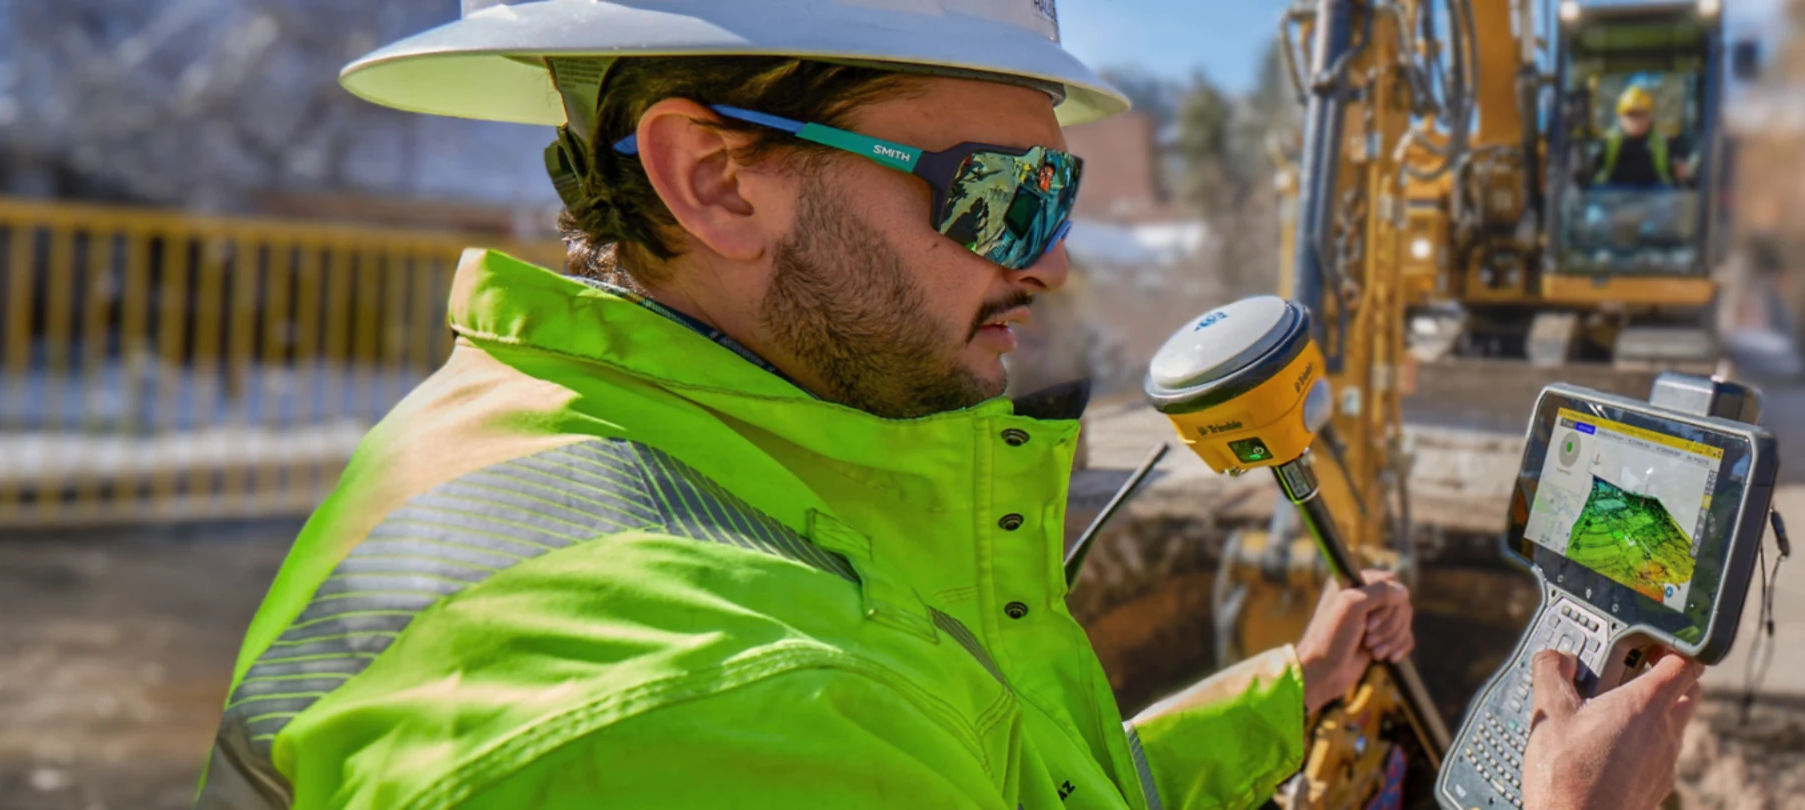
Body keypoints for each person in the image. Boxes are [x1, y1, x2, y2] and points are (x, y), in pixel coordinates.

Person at [195, 2, 1702, 808]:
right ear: (716, 178)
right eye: (1000, 194)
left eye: (1061, 191)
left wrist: (1278, 699)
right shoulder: (699, 709)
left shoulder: (743, 468)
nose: (1051, 259)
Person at [1589, 85, 1693, 188]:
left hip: (1655, 194)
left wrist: (1680, 168)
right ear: (1620, 117)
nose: (1636, 121)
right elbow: (1591, 165)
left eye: (1641, 115)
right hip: (1613, 194)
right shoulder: (1607, 142)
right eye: (1631, 115)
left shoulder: (1665, 142)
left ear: (1650, 117)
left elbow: (1679, 165)